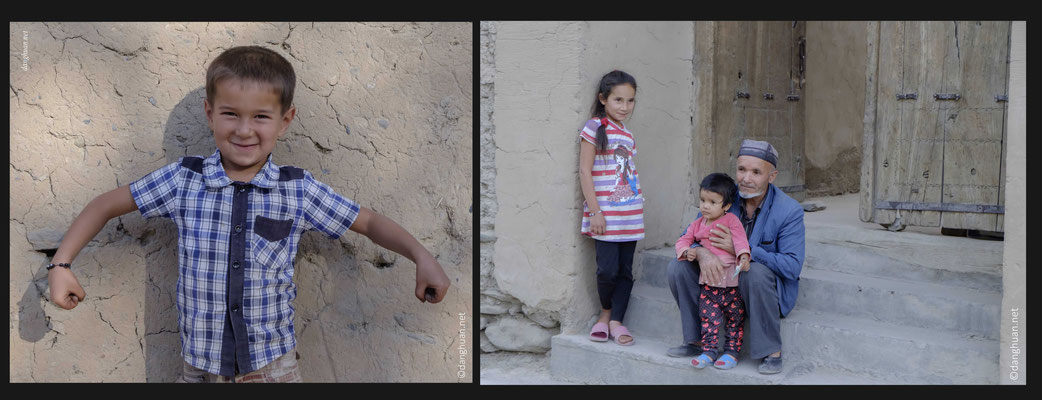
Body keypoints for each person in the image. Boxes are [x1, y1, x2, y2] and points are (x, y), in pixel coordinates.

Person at [44, 45, 451, 383]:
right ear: (209, 114)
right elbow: (104, 205)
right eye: (230, 114)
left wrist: (421, 256)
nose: (244, 130)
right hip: (201, 368)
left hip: (274, 367)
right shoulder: (183, 181)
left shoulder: (297, 190)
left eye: (260, 116)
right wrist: (61, 263)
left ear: (285, 120)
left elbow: (368, 222)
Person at [665, 139, 805, 375]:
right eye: (741, 169)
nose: (746, 178)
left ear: (772, 176)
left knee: (754, 272)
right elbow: (688, 237)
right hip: (719, 283)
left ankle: (771, 351)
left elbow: (792, 266)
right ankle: (698, 342)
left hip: (759, 290)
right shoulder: (725, 197)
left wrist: (743, 249)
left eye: (756, 172)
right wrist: (702, 252)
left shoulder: (788, 210)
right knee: (678, 267)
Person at [579, 70, 643, 346]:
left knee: (625, 271)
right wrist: (595, 211)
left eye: (630, 101)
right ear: (603, 98)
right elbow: (584, 170)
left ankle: (616, 321)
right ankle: (605, 314)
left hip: (630, 213)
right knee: (607, 270)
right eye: (618, 100)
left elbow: (628, 173)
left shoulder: (627, 134)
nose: (624, 107)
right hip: (604, 215)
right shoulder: (594, 127)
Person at [675, 173, 751, 370]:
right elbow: (683, 240)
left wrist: (743, 256)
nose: (705, 206)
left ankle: (732, 353)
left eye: (712, 202)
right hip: (708, 286)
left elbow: (741, 240)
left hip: (731, 286)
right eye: (702, 200)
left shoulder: (731, 221)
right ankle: (708, 351)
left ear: (726, 206)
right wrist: (688, 251)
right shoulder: (697, 224)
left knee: (735, 321)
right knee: (709, 320)